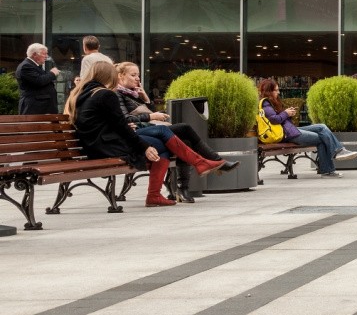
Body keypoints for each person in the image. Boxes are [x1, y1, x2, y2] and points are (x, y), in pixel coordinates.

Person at [67, 61, 224, 207]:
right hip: (108, 145)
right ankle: (162, 189)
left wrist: (137, 111)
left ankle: (161, 192)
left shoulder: (83, 94)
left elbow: (104, 123)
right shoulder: (105, 94)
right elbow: (120, 126)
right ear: (109, 76)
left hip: (96, 144)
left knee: (163, 137)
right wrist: (144, 147)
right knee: (162, 142)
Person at [115, 62, 240, 202]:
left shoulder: (134, 93)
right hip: (141, 133)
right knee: (184, 128)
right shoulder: (117, 94)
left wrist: (146, 99)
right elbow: (126, 119)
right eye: (133, 75)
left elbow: (149, 112)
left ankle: (183, 187)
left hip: (149, 129)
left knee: (185, 140)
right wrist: (151, 116)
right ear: (121, 76)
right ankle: (215, 162)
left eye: (138, 75)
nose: (137, 78)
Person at [258, 78, 357, 177]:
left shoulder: (271, 103)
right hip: (286, 134)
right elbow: (274, 119)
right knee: (322, 138)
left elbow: (277, 119)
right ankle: (330, 166)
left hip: (289, 130)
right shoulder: (266, 103)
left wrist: (288, 114)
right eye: (276, 90)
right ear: (269, 91)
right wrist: (286, 113)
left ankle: (338, 152)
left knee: (322, 127)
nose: (278, 92)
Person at [16, 43, 61, 115]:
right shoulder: (26, 66)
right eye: (44, 54)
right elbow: (39, 81)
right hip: (35, 108)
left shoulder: (34, 66)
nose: (46, 56)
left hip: (41, 108)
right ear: (34, 54)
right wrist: (52, 73)